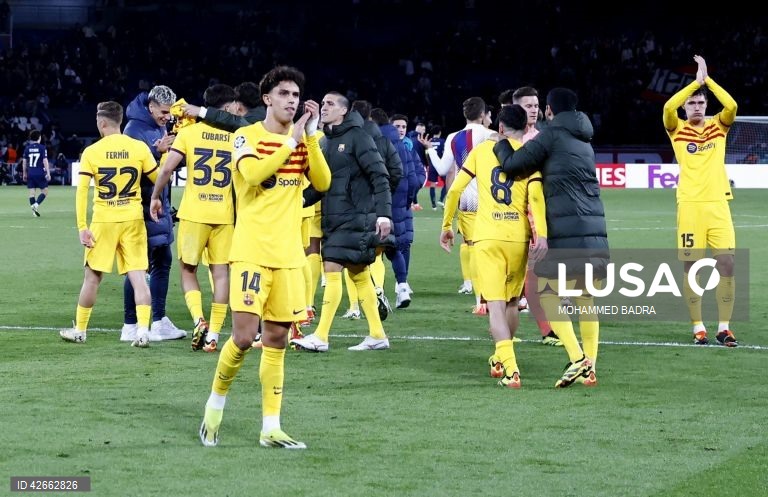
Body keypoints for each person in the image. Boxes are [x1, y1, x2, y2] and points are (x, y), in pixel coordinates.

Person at [199, 65, 331, 449]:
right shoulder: (245, 136)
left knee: (276, 339)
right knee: (242, 337)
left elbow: (322, 183)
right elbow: (254, 175)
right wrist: (292, 141)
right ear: (267, 99)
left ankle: (270, 426)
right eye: (285, 94)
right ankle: (215, 406)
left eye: (296, 95)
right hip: (251, 253)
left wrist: (310, 138)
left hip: (290, 255)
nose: (292, 101)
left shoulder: (303, 140)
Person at [493, 87, 608, 388]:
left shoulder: (551, 135)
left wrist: (501, 145)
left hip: (564, 231)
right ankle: (591, 366)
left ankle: (576, 359)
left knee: (549, 295)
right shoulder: (585, 140)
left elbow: (514, 166)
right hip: (593, 229)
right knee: (585, 298)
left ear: (549, 110)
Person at [440, 105, 546, 388]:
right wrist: (542, 235)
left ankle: (511, 369)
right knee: (512, 303)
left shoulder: (482, 152)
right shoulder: (530, 156)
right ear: (526, 129)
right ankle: (501, 357)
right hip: (518, 238)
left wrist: (446, 226)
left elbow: (454, 191)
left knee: (495, 307)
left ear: (499, 128)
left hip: (488, 237)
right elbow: (536, 199)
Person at [290, 91, 393, 353]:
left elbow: (380, 175)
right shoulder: (326, 142)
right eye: (323, 103)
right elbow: (322, 185)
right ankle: (377, 335)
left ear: (344, 111)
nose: (324, 107)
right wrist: (297, 201)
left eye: (330, 104)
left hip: (355, 217)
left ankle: (321, 335)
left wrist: (384, 214)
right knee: (359, 275)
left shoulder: (358, 137)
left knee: (332, 268)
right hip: (335, 218)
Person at [59, 101, 159, 347]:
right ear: (120, 121)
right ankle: (143, 331)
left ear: (101, 122)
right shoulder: (139, 148)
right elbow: (159, 178)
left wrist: (83, 226)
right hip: (133, 220)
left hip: (104, 221)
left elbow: (81, 192)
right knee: (139, 277)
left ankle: (80, 330)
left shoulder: (92, 152)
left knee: (92, 278)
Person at [149, 84, 237, 353]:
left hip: (194, 213)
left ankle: (199, 319)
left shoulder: (190, 132)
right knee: (221, 274)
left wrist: (155, 196)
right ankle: (214, 335)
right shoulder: (238, 137)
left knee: (188, 270)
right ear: (226, 108)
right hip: (224, 214)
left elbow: (166, 169)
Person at [662, 55, 738, 347]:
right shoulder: (677, 129)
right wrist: (695, 83)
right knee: (691, 268)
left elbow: (731, 106)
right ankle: (698, 326)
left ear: (707, 106)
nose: (696, 106)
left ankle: (724, 327)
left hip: (719, 205)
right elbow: (668, 107)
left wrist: (708, 82)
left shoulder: (719, 126)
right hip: (690, 206)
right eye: (691, 102)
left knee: (727, 264)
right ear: (685, 107)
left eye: (700, 102)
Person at [121, 84, 186, 342]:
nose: (167, 117)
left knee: (163, 260)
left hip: (158, 207)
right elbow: (129, 170)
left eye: (169, 112)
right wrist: (155, 152)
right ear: (150, 107)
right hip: (141, 208)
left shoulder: (156, 126)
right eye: (163, 112)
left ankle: (158, 320)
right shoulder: (133, 130)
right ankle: (131, 323)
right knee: (139, 267)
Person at [420, 97, 494, 314]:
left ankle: (481, 301)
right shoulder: (491, 136)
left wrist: (430, 150)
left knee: (473, 248)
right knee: (493, 250)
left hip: (466, 198)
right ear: (482, 115)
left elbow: (443, 170)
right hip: (490, 198)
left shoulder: (453, 137)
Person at [502, 86, 562, 346]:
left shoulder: (544, 138)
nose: (534, 109)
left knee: (537, 275)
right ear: (515, 108)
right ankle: (504, 331)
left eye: (536, 105)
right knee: (509, 279)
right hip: (510, 219)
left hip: (539, 215)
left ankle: (547, 330)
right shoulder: (501, 144)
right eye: (528, 105)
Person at [389, 113, 426, 307]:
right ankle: (395, 284)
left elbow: (420, 173)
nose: (401, 129)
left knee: (404, 243)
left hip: (403, 205)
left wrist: (410, 194)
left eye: (403, 126)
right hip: (392, 204)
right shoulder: (387, 146)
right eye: (397, 126)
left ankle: (401, 283)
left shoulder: (409, 148)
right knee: (390, 245)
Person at [181, 81, 266, 131]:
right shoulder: (262, 112)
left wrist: (202, 112)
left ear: (238, 105)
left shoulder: (259, 120)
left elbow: (242, 124)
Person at [20, 130, 50, 217]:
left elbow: (24, 162)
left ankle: (34, 212)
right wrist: (48, 173)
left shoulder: (27, 148)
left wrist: (24, 173)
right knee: (45, 191)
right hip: (40, 173)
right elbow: (45, 161)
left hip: (30, 173)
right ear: (39, 137)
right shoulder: (42, 148)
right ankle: (35, 205)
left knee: (32, 193)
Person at [423, 124, 446, 210]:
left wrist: (428, 163)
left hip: (432, 165)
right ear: (440, 132)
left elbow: (426, 153)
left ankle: (433, 206)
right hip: (440, 164)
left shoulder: (428, 141)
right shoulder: (443, 141)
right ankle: (440, 199)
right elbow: (444, 153)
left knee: (432, 185)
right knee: (447, 183)